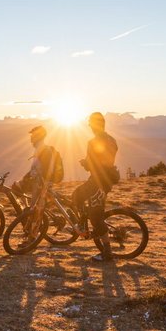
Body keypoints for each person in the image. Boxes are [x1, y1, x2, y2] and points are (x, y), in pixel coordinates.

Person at [71, 111, 120, 262]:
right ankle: (84, 225)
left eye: (90, 124)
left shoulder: (93, 142)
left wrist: (85, 163)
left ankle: (107, 252)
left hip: (99, 181)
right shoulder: (112, 140)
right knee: (77, 196)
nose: (89, 126)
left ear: (94, 125)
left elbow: (92, 164)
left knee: (96, 216)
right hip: (103, 180)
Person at [11, 125, 61, 202]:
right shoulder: (40, 149)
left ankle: (27, 210)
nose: (31, 139)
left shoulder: (43, 150)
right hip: (39, 181)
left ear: (38, 136)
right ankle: (26, 209)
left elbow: (45, 170)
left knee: (16, 189)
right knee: (18, 188)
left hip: (40, 183)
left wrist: (40, 182)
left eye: (33, 135)